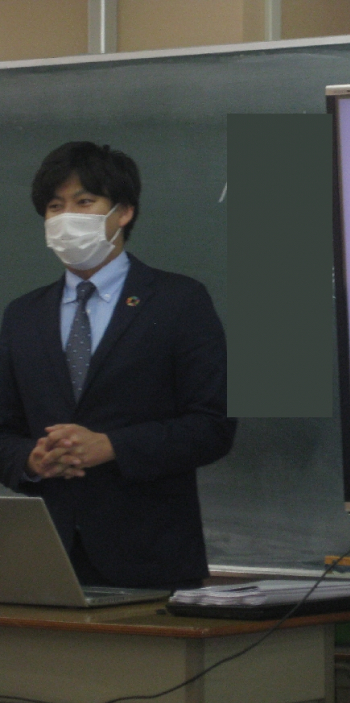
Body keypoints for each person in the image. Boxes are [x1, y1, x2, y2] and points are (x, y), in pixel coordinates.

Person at [0, 142, 235, 589]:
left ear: (124, 212)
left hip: (152, 560)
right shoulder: (22, 315)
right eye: (55, 207)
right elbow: (3, 430)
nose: (66, 218)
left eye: (84, 202)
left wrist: (113, 446)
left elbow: (214, 425)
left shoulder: (179, 301)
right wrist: (31, 459)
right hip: (44, 561)